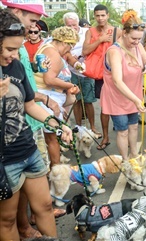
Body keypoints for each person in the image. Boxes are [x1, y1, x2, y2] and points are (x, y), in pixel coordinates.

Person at [0, 10, 73, 240]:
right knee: (7, 219)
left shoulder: (17, 66)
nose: (14, 55)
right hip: (4, 160)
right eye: (10, 49)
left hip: (27, 149)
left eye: (17, 49)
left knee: (43, 206)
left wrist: (57, 124)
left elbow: (30, 105)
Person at [101, 9, 146, 161]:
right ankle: (125, 160)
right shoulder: (114, 51)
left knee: (134, 126)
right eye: (134, 39)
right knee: (122, 130)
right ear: (124, 33)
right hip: (117, 97)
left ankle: (134, 155)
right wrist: (137, 100)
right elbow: (117, 80)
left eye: (139, 39)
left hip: (133, 94)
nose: (136, 43)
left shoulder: (137, 46)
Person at [34, 26, 80, 168]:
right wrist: (69, 85)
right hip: (47, 96)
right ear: (65, 42)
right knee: (52, 137)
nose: (70, 51)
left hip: (45, 94)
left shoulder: (46, 46)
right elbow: (49, 79)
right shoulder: (53, 53)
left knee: (50, 136)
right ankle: (56, 170)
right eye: (70, 47)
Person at [82, 4, 122, 150]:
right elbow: (85, 51)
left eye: (103, 15)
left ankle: (122, 134)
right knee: (104, 107)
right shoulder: (90, 31)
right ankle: (105, 137)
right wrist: (100, 40)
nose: (100, 18)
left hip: (116, 74)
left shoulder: (117, 31)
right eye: (97, 15)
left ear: (108, 15)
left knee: (119, 106)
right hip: (99, 74)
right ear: (94, 16)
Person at [63, 12, 101, 138]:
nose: (72, 27)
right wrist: (68, 55)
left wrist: (82, 56)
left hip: (87, 70)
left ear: (78, 23)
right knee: (76, 101)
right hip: (70, 72)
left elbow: (95, 48)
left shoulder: (87, 32)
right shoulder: (62, 34)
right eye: (69, 25)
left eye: (74, 25)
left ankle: (93, 127)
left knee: (89, 101)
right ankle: (78, 127)